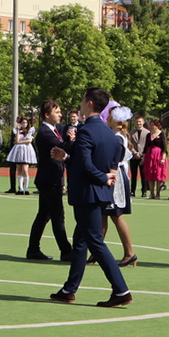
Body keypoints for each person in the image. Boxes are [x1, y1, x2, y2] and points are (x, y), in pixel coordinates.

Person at [49, 87, 133, 308]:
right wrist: (68, 157)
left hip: (88, 193)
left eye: (83, 100)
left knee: (94, 241)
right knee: (81, 241)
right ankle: (69, 289)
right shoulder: (109, 133)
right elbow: (106, 160)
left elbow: (86, 165)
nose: (81, 103)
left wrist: (101, 177)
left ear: (90, 103)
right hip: (100, 194)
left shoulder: (86, 131)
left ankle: (121, 289)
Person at [27, 100, 72, 261]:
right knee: (58, 215)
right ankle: (66, 251)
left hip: (50, 178)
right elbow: (62, 147)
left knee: (44, 215)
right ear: (47, 115)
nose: (60, 114)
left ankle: (33, 249)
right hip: (50, 179)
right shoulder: (45, 133)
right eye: (57, 111)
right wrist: (72, 141)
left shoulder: (53, 130)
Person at [103, 105, 137, 267]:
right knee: (104, 215)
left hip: (115, 176)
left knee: (116, 215)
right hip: (116, 174)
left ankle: (129, 253)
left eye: (110, 116)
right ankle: (97, 252)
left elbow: (113, 161)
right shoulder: (117, 136)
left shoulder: (117, 138)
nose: (107, 118)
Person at [8, 116, 37, 195]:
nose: (24, 124)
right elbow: (16, 140)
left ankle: (26, 188)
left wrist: (20, 142)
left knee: (25, 169)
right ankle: (20, 188)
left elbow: (29, 141)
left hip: (27, 151)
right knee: (19, 169)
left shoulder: (30, 131)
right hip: (18, 151)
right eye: (22, 123)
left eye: (25, 123)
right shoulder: (17, 131)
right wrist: (18, 130)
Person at [142, 119, 168, 199]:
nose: (151, 126)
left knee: (158, 175)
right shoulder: (148, 135)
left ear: (157, 126)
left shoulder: (162, 134)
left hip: (158, 156)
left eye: (152, 125)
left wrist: (163, 159)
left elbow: (164, 148)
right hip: (150, 157)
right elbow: (145, 148)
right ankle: (151, 193)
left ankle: (158, 193)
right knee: (150, 175)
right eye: (150, 125)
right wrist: (143, 158)